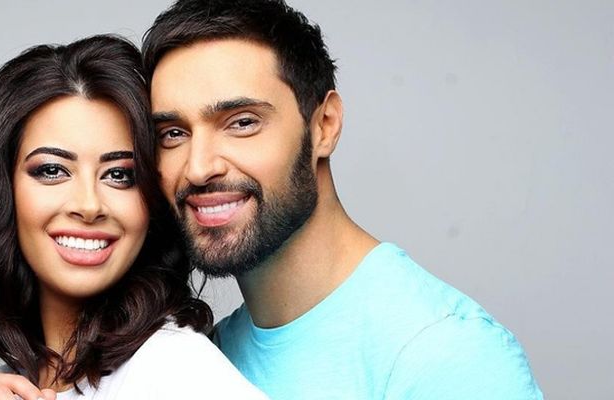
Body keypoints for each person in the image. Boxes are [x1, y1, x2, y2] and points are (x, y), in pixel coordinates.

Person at [141, 0, 544, 399]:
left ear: (324, 126)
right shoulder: (202, 359)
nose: (198, 168)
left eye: (242, 123)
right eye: (173, 134)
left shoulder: (446, 355)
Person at [0, 35, 267, 400]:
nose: (88, 205)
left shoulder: (176, 371)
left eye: (119, 175)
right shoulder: (9, 384)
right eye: (53, 170)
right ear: (3, 190)